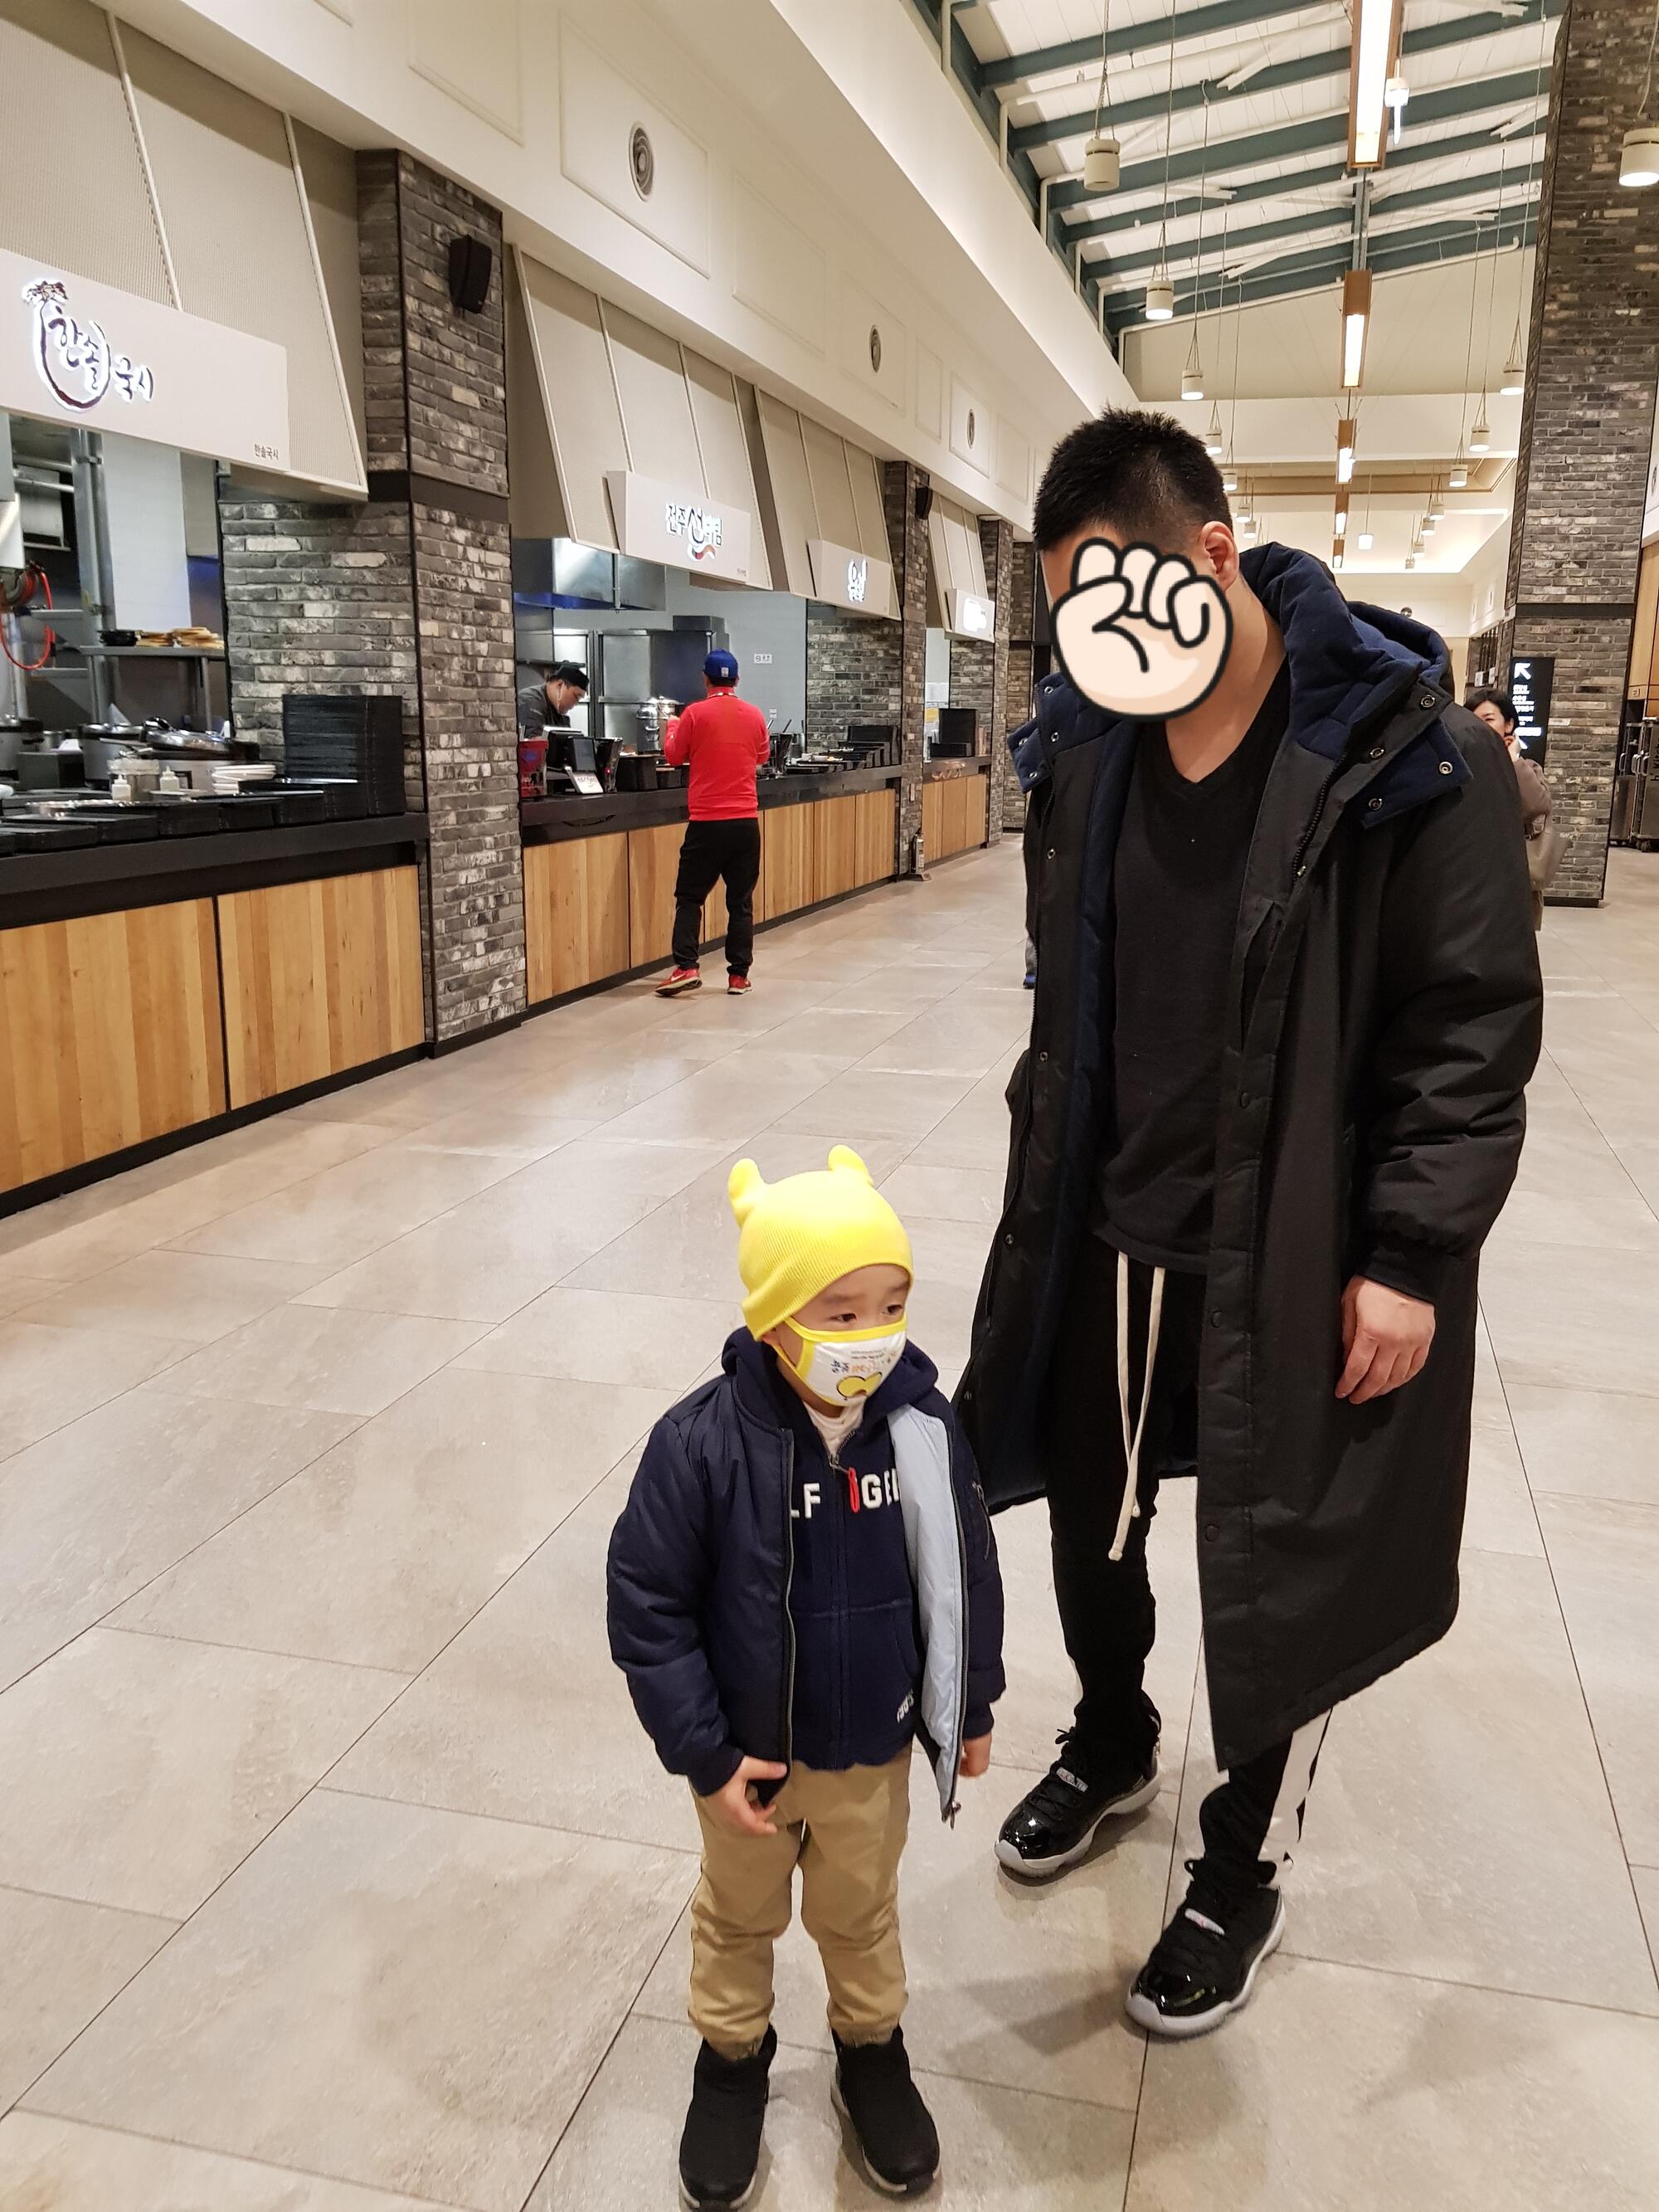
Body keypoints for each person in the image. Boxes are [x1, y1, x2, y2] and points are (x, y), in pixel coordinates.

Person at [957, 408, 1542, 2039]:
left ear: (1212, 554)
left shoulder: (1402, 756)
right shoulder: (1087, 753)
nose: (1100, 645)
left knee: (1275, 1561)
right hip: (1109, 1230)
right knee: (1093, 1516)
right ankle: (1114, 1739)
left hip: (1294, 1246)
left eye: (1117, 598)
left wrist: (1410, 1254)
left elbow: (1469, 1023)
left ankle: (1239, 1864)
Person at [608, 1146, 1005, 2207]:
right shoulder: (699, 1446)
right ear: (774, 1318)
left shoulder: (921, 1430)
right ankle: (730, 2057)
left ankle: (870, 2048)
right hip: (747, 1761)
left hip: (870, 1749)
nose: (872, 1335)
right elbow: (647, 1604)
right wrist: (703, 1751)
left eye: (891, 1306)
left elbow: (964, 1569)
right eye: (840, 1313)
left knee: (860, 1911)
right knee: (737, 1916)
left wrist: (968, 1702)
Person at [656, 649, 771, 998]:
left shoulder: (693, 714)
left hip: (706, 822)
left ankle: (687, 967)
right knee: (740, 902)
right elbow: (763, 756)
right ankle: (738, 977)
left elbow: (673, 756)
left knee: (690, 897)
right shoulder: (754, 715)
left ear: (705, 679)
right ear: (736, 680)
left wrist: (672, 725)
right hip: (745, 822)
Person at [1469, 686, 1556, 928]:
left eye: (1489, 719)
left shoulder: (1526, 767)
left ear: (1508, 724)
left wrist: (1513, 760)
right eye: (1474, 721)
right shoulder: (1459, 766)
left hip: (1509, 873)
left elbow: (1537, 806)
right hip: (1469, 872)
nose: (1481, 727)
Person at [516, 660, 588, 733]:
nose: (576, 703)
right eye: (576, 696)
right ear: (560, 685)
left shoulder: (561, 715)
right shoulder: (530, 701)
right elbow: (533, 738)